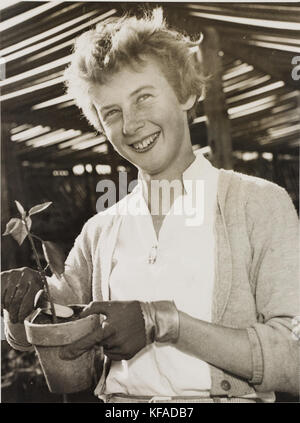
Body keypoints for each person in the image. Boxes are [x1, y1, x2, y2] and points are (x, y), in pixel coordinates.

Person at [1, 9, 299, 403]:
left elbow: (294, 357)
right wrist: (20, 304)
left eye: (143, 96)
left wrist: (164, 321)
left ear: (186, 94)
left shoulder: (258, 205)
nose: (131, 124)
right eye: (111, 112)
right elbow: (51, 322)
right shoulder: (101, 230)